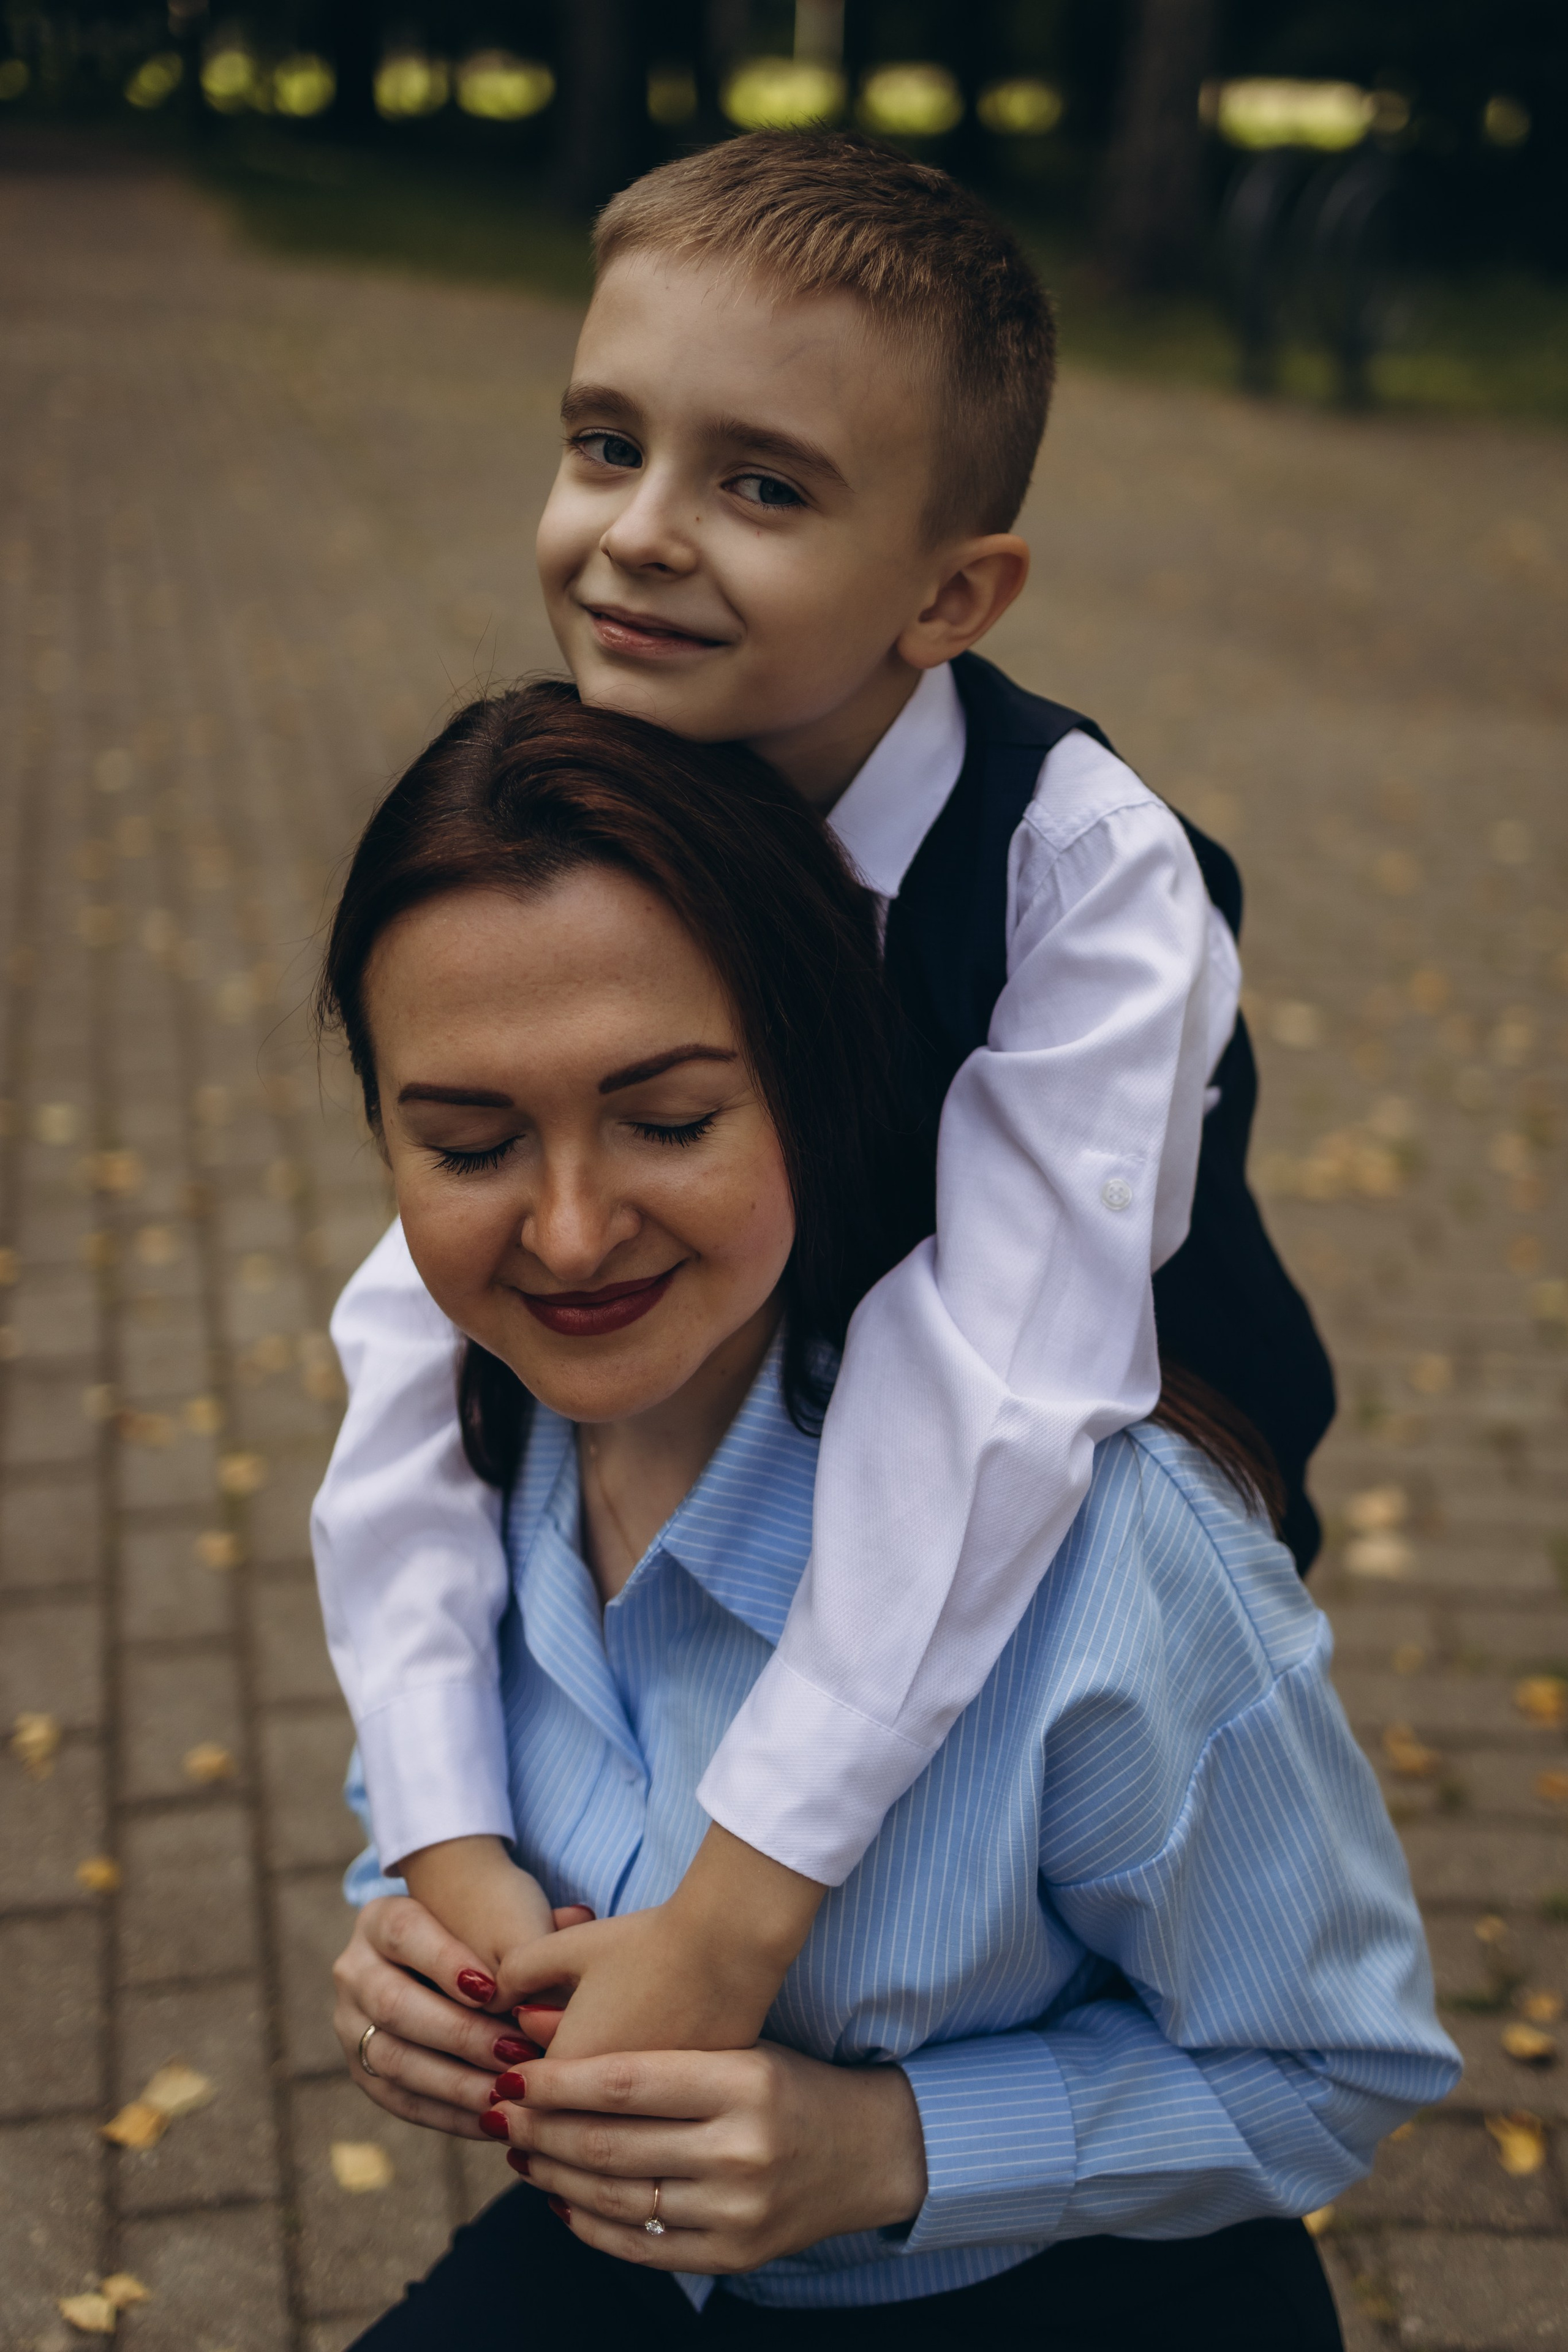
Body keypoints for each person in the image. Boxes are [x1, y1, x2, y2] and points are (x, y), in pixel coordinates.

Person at [311, 130, 1336, 2058]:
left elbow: (1003, 1381)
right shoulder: (629, 769)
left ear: (951, 596)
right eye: (606, 444)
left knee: (996, 1903)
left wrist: (733, 1910)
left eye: (761, 483)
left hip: (1101, 1469)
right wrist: (442, 1838)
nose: (637, 533)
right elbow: (405, 1333)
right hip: (759, 1413)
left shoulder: (1086, 876)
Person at [318, 685, 1455, 2348]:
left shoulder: (1113, 1556)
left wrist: (887, 2149)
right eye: (470, 1141)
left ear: (812, 1085)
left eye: (670, 1119)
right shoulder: (460, 1446)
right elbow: (422, 1796)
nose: (565, 1237)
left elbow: (1334, 2063)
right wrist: (404, 1954)